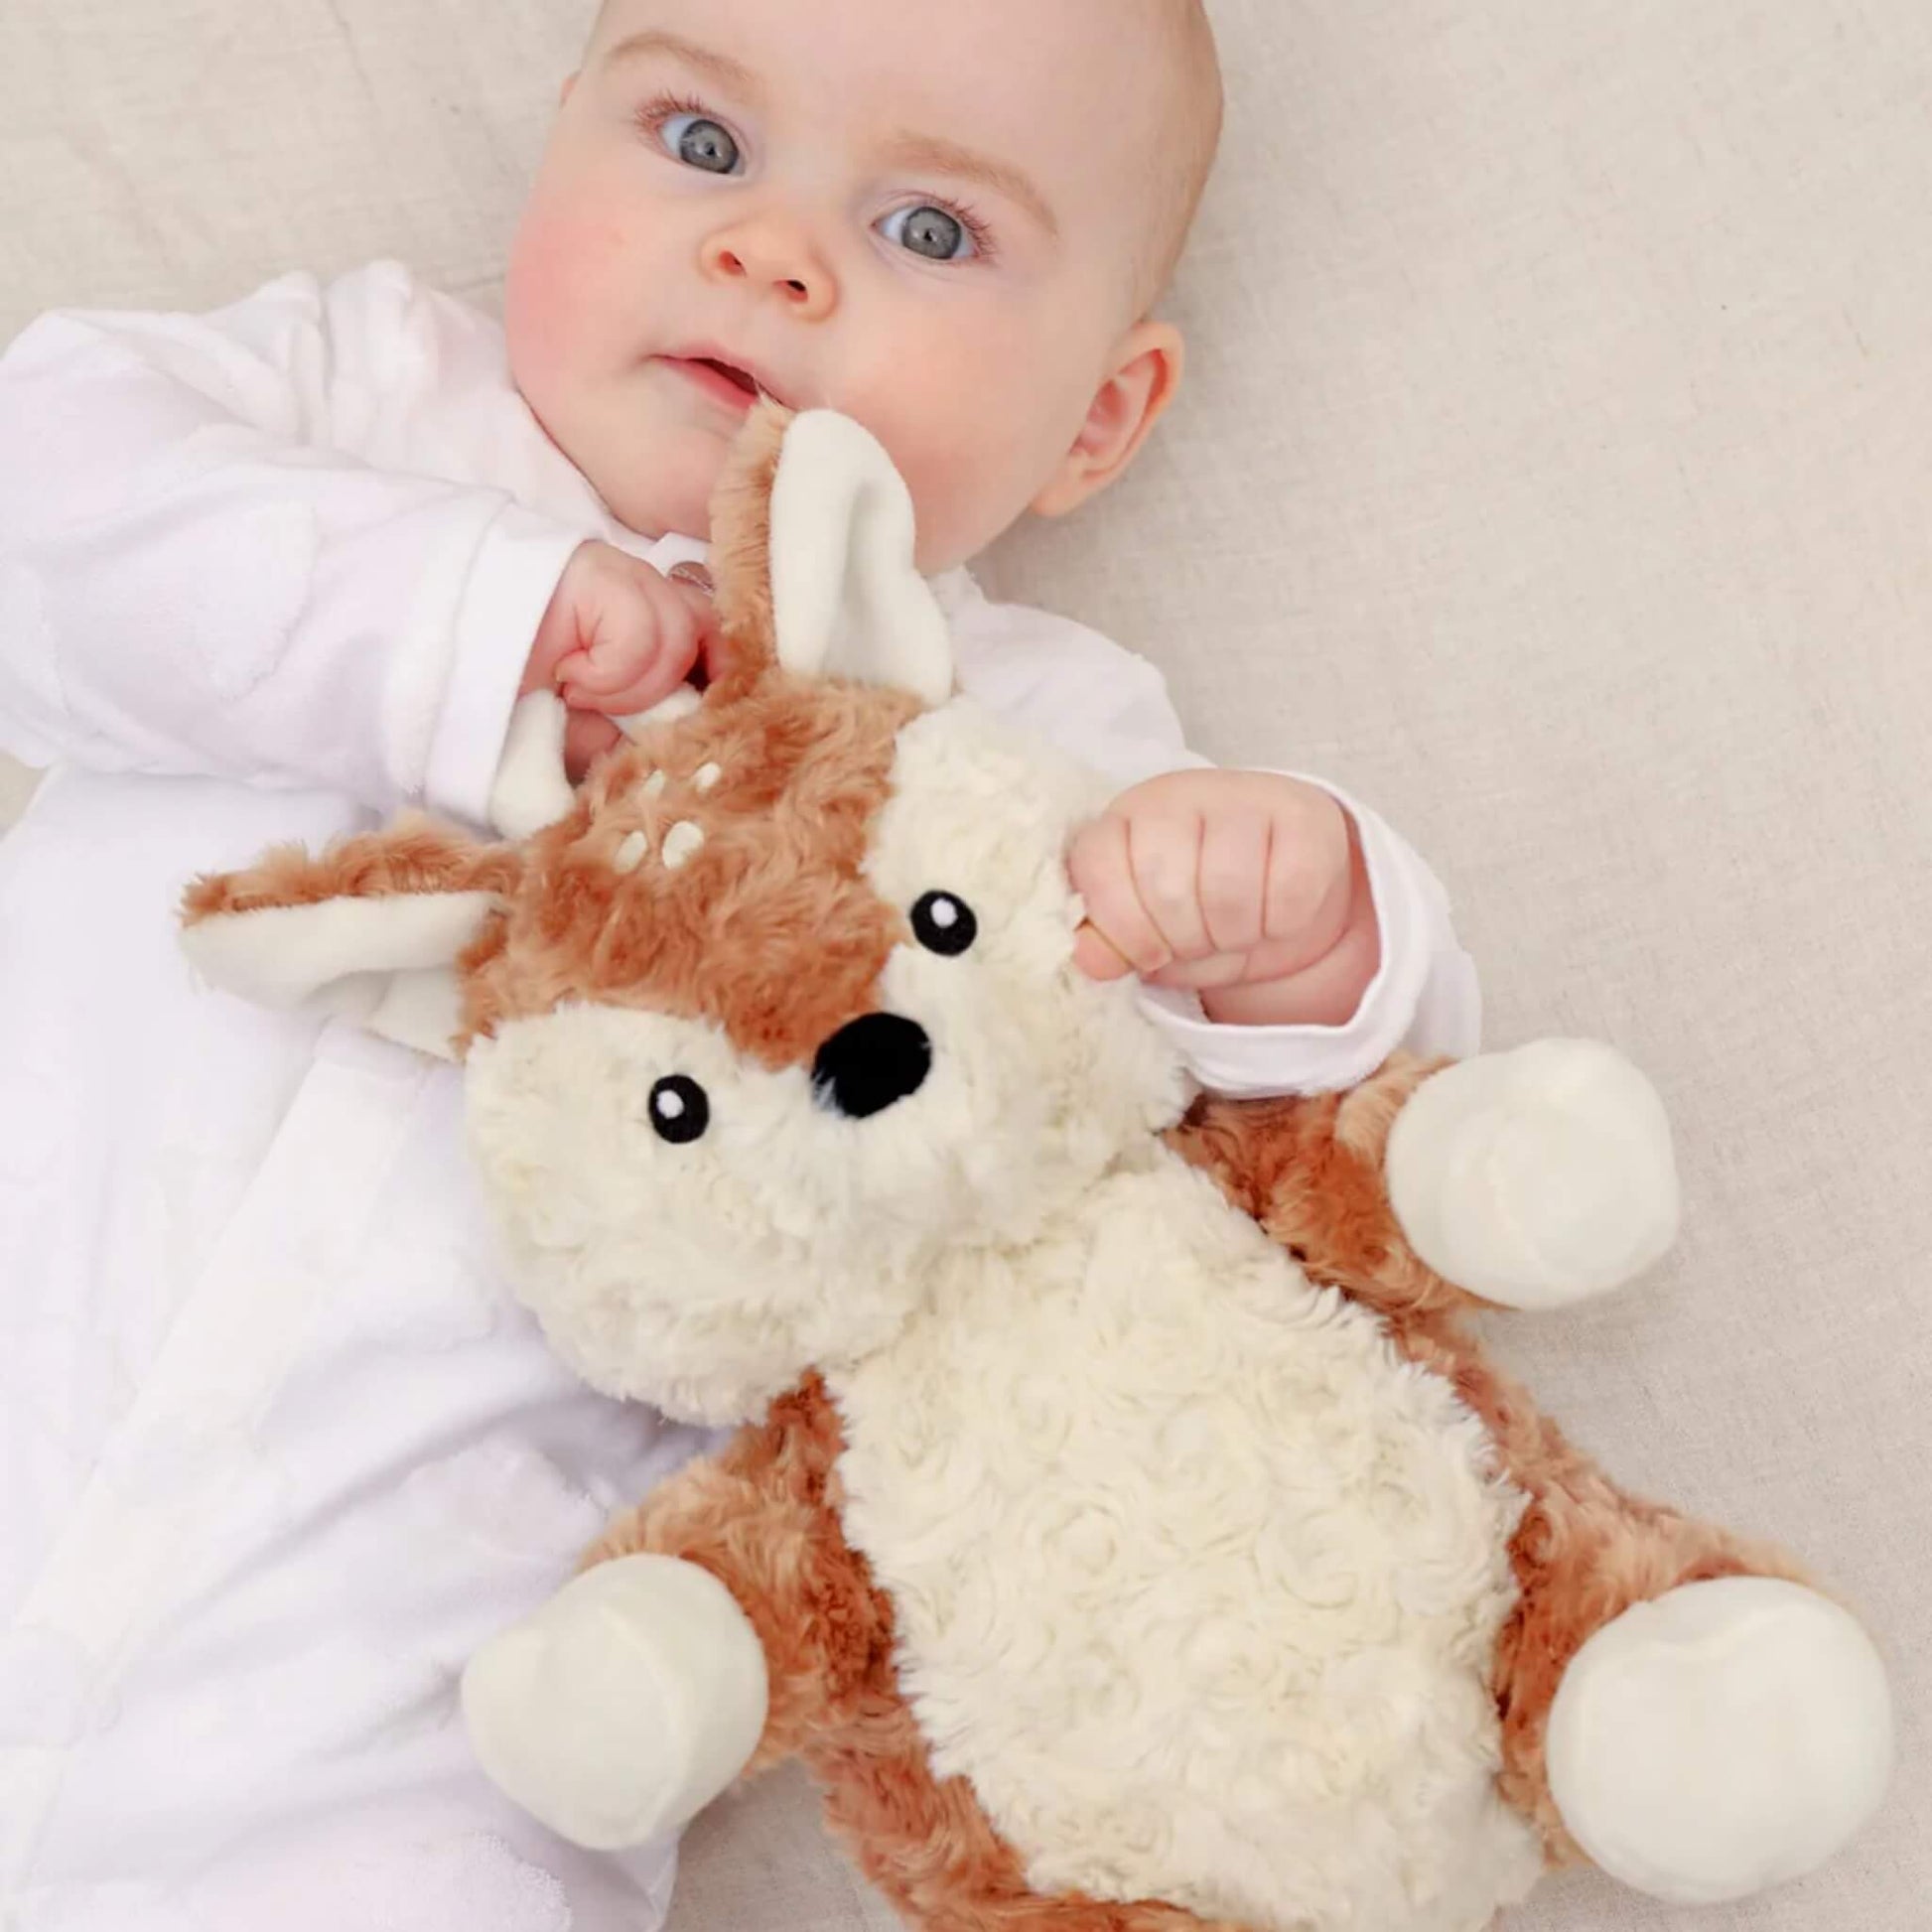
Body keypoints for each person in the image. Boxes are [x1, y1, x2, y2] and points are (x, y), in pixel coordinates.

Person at [0, 1, 1477, 1924]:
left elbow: (1278, 1190)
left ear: (1096, 418)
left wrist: (1318, 927)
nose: (772, 253)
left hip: (390, 1754)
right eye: (699, 141)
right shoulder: (360, 399)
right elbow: (45, 495)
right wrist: (461, 618)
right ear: (559, 135)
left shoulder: (1022, 744)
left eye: (929, 231)